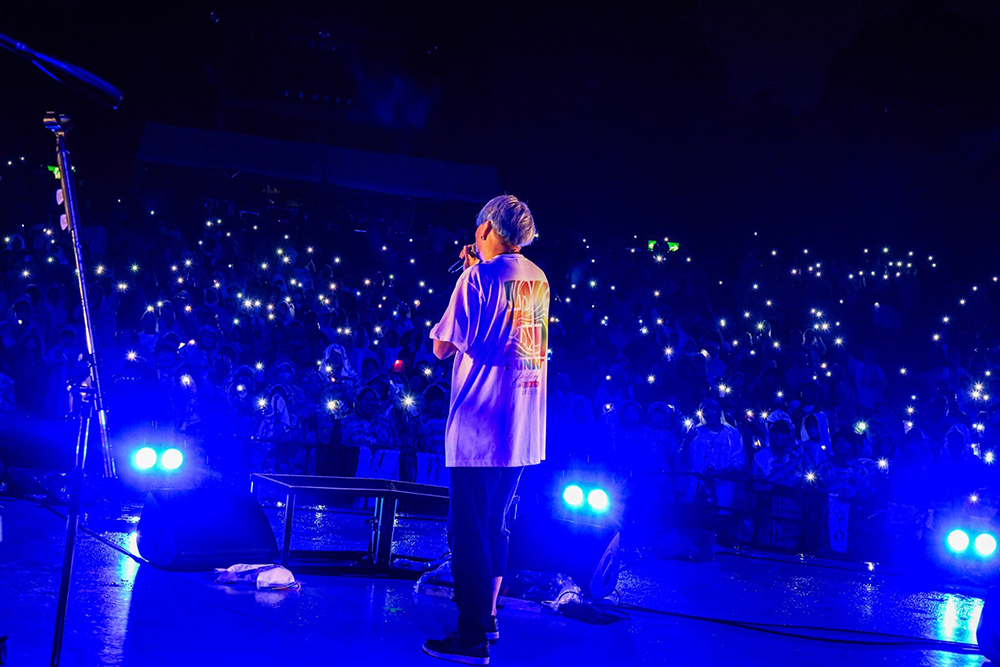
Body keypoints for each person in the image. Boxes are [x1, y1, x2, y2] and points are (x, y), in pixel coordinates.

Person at [423, 195, 548, 665]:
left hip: (480, 426)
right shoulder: (538, 277)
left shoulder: (475, 279)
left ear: (487, 228)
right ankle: (489, 618)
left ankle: (471, 637)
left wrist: (467, 276)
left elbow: (442, 347)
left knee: (468, 533)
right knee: (495, 526)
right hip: (522, 425)